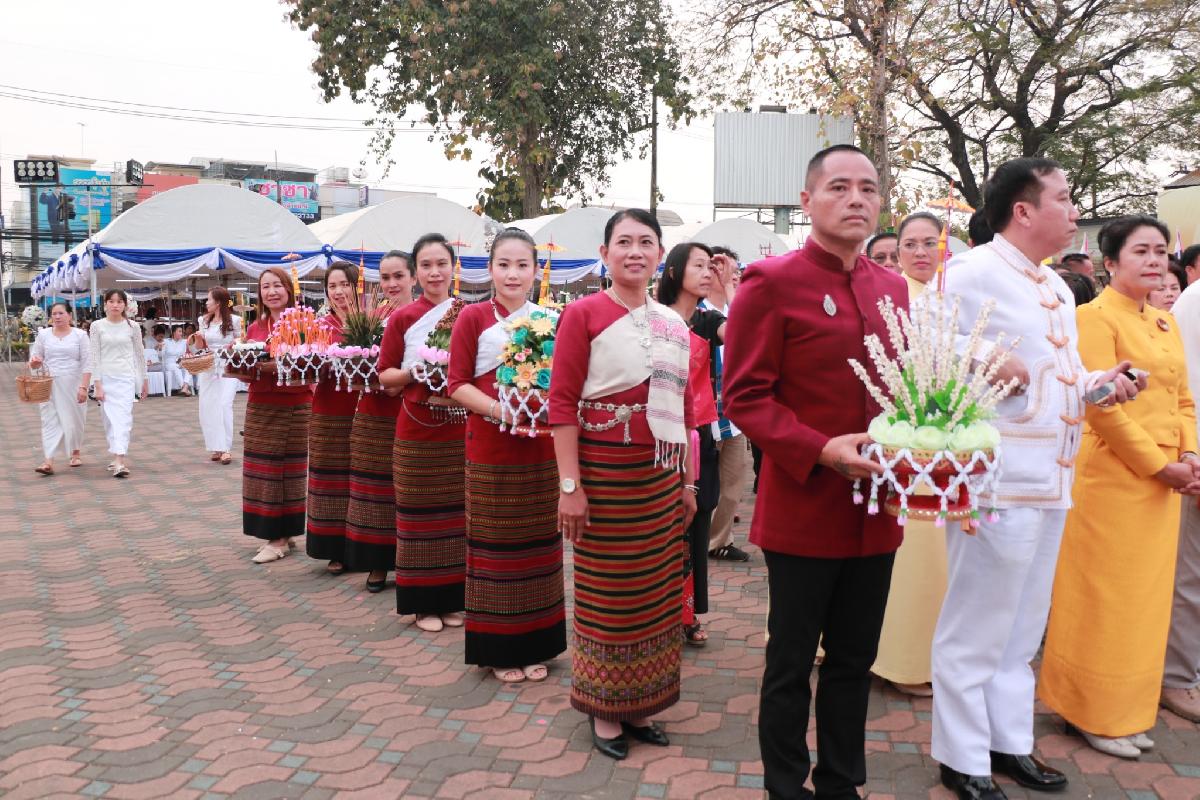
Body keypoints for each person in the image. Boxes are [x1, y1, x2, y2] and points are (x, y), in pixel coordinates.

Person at [930, 158, 1144, 800]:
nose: (1075, 210)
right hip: (993, 479)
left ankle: (1007, 743)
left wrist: (1102, 385)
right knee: (976, 625)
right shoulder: (970, 272)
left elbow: (1065, 377)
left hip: (1050, 478)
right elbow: (926, 354)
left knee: (1022, 628)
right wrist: (984, 359)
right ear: (1023, 211)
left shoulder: (1053, 285)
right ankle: (961, 756)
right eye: (1064, 197)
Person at [722, 144, 906, 800]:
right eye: (839, 187)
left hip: (876, 508)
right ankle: (785, 786)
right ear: (807, 201)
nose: (856, 199)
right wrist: (821, 449)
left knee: (854, 661)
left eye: (868, 188)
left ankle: (840, 784)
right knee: (791, 662)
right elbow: (744, 397)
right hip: (804, 504)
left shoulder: (893, 288)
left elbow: (905, 390)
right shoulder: (771, 283)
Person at [1037, 216, 1199, 757]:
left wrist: (1189, 455)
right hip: (1113, 478)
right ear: (1110, 263)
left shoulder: (1164, 320)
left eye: (1159, 251)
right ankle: (1088, 709)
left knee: (1144, 601)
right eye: (1141, 251)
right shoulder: (1093, 317)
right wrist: (1159, 466)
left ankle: (1126, 708)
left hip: (1163, 483)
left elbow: (1182, 400)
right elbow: (1101, 408)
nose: (1155, 261)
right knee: (1103, 598)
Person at [549, 209, 697, 761]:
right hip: (603, 473)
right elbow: (561, 403)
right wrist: (570, 486)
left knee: (655, 592)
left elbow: (684, 408)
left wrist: (687, 483)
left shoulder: (673, 322)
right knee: (608, 592)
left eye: (647, 242)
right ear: (605, 253)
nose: (636, 252)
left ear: (660, 254)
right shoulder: (582, 313)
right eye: (624, 242)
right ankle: (604, 708)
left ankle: (641, 704)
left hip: (659, 476)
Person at [447, 228, 567, 683]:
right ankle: (499, 649)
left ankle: (538, 643)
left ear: (536, 271)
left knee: (539, 548)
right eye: (504, 265)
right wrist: (502, 410)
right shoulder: (472, 317)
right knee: (496, 550)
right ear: (490, 269)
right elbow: (456, 384)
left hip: (540, 447)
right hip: (491, 446)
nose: (513, 274)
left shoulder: (550, 320)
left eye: (522, 265)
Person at [870, 211, 948, 698]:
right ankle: (901, 661)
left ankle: (921, 654)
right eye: (910, 244)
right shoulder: (892, 297)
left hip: (946, 436)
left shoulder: (948, 298)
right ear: (897, 252)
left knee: (935, 552)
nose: (920, 252)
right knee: (912, 550)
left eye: (929, 243)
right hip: (906, 437)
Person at [377, 234, 468, 632]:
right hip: (416, 430)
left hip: (459, 429)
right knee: (418, 519)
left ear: (453, 268)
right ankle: (422, 606)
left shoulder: (468, 314)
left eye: (441, 264)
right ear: (416, 273)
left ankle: (450, 600)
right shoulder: (403, 318)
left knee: (454, 517)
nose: (435, 272)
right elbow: (385, 375)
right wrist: (414, 372)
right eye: (426, 266)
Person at [659, 241, 726, 647]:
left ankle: (688, 613)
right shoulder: (653, 317)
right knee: (662, 525)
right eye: (698, 266)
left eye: (709, 267)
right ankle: (659, 612)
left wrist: (727, 288)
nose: (706, 273)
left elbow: (741, 335)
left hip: (700, 435)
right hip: (660, 435)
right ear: (674, 271)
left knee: (696, 526)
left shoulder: (707, 320)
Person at [345, 251, 415, 592]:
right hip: (374, 413)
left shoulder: (427, 319)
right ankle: (377, 562)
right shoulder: (368, 319)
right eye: (385, 277)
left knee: (412, 492)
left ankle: (413, 563)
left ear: (413, 278)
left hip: (414, 414)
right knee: (375, 490)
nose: (391, 284)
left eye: (398, 276)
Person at [243, 266, 312, 564]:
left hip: (294, 403)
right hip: (259, 403)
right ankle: (283, 531)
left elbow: (312, 366)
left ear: (288, 289)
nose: (271, 292)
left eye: (277, 285)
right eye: (265, 287)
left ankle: (278, 538)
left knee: (285, 469)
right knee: (260, 470)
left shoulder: (305, 324)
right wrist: (241, 365)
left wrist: (276, 365)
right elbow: (246, 370)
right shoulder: (255, 327)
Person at [1161, 256, 1200, 723]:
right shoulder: (1195, 301)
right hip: (1194, 457)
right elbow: (1189, 392)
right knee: (1191, 576)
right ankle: (1177, 676)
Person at [305, 262, 361, 575]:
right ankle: (334, 549)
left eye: (344, 285)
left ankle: (363, 546)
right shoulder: (319, 326)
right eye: (332, 286)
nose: (339, 292)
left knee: (362, 480)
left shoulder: (373, 321)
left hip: (365, 409)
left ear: (357, 286)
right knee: (331, 480)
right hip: (328, 409)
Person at [703, 246, 753, 564]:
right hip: (704, 412)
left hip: (733, 414)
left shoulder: (738, 311)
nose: (732, 276)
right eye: (725, 270)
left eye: (735, 271)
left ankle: (719, 540)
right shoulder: (698, 313)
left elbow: (749, 335)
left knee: (733, 482)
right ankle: (695, 538)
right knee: (703, 481)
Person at [89, 289, 149, 479]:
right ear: (105, 304)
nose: (115, 305)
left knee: (123, 419)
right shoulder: (97, 326)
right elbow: (94, 357)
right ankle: (115, 453)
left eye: (119, 302)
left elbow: (140, 354)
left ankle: (120, 460)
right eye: (111, 301)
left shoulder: (133, 327)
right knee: (109, 420)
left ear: (125, 305)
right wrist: (97, 384)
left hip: (125, 379)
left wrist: (144, 380)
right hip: (105, 379)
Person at [28, 301, 91, 475]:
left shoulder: (80, 335)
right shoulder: (44, 335)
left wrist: (84, 387)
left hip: (73, 383)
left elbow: (87, 363)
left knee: (74, 421)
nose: (57, 317)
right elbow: (34, 360)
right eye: (54, 314)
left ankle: (75, 453)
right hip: (48, 384)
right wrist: (35, 363)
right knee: (49, 420)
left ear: (69, 315)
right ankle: (48, 461)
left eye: (61, 313)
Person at [197, 287, 243, 464]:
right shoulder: (203, 320)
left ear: (218, 302)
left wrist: (234, 344)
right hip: (208, 366)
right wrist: (198, 338)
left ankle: (226, 448)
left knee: (224, 404)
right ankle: (216, 447)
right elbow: (200, 347)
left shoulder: (235, 320)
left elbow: (241, 341)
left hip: (228, 367)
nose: (206, 302)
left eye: (209, 299)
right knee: (208, 406)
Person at [162, 326, 193, 396]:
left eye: (181, 331)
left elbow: (185, 354)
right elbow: (161, 355)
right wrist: (160, 349)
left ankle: (185, 387)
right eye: (179, 331)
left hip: (181, 362)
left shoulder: (184, 342)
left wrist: (182, 361)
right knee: (176, 367)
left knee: (189, 367)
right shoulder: (166, 341)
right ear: (173, 332)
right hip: (169, 363)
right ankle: (184, 387)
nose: (181, 333)